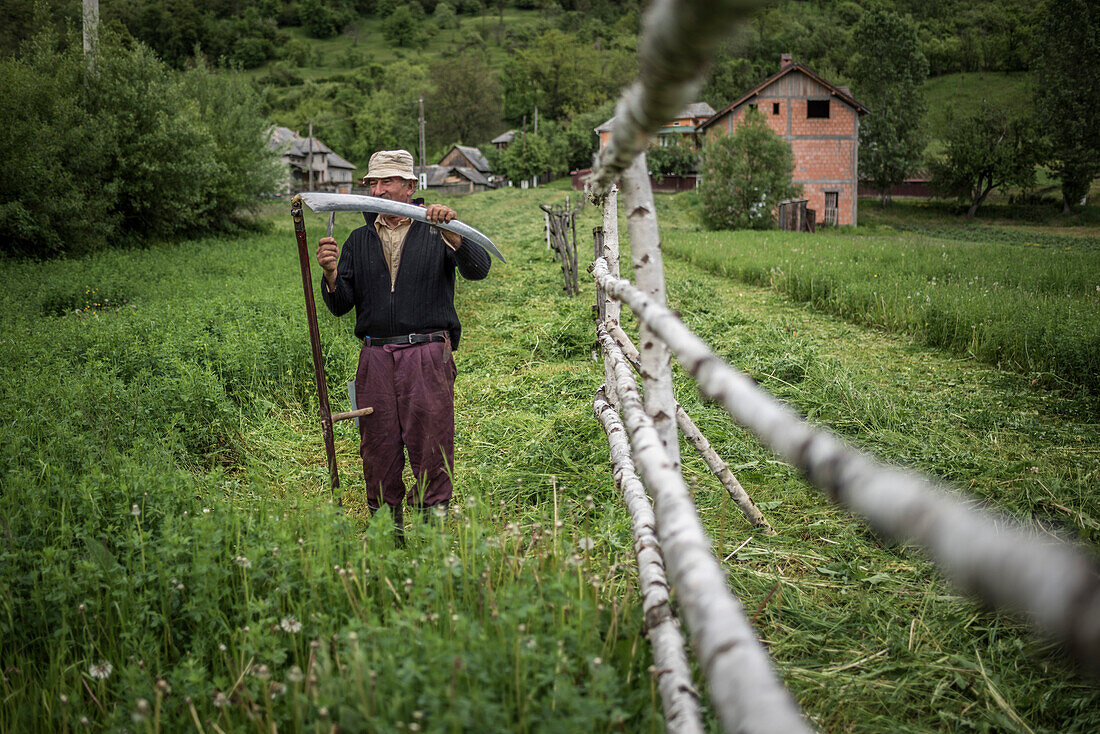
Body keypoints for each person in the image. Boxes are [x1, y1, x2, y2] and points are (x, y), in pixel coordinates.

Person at [315, 149, 491, 538]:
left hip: (426, 353)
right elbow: (341, 305)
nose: (379, 190)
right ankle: (385, 534)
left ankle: (432, 533)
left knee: (430, 441)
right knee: (377, 446)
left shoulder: (436, 229)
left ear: (411, 187)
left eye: (388, 182)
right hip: (375, 356)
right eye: (373, 183)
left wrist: (453, 233)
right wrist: (330, 274)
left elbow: (479, 269)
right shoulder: (359, 240)